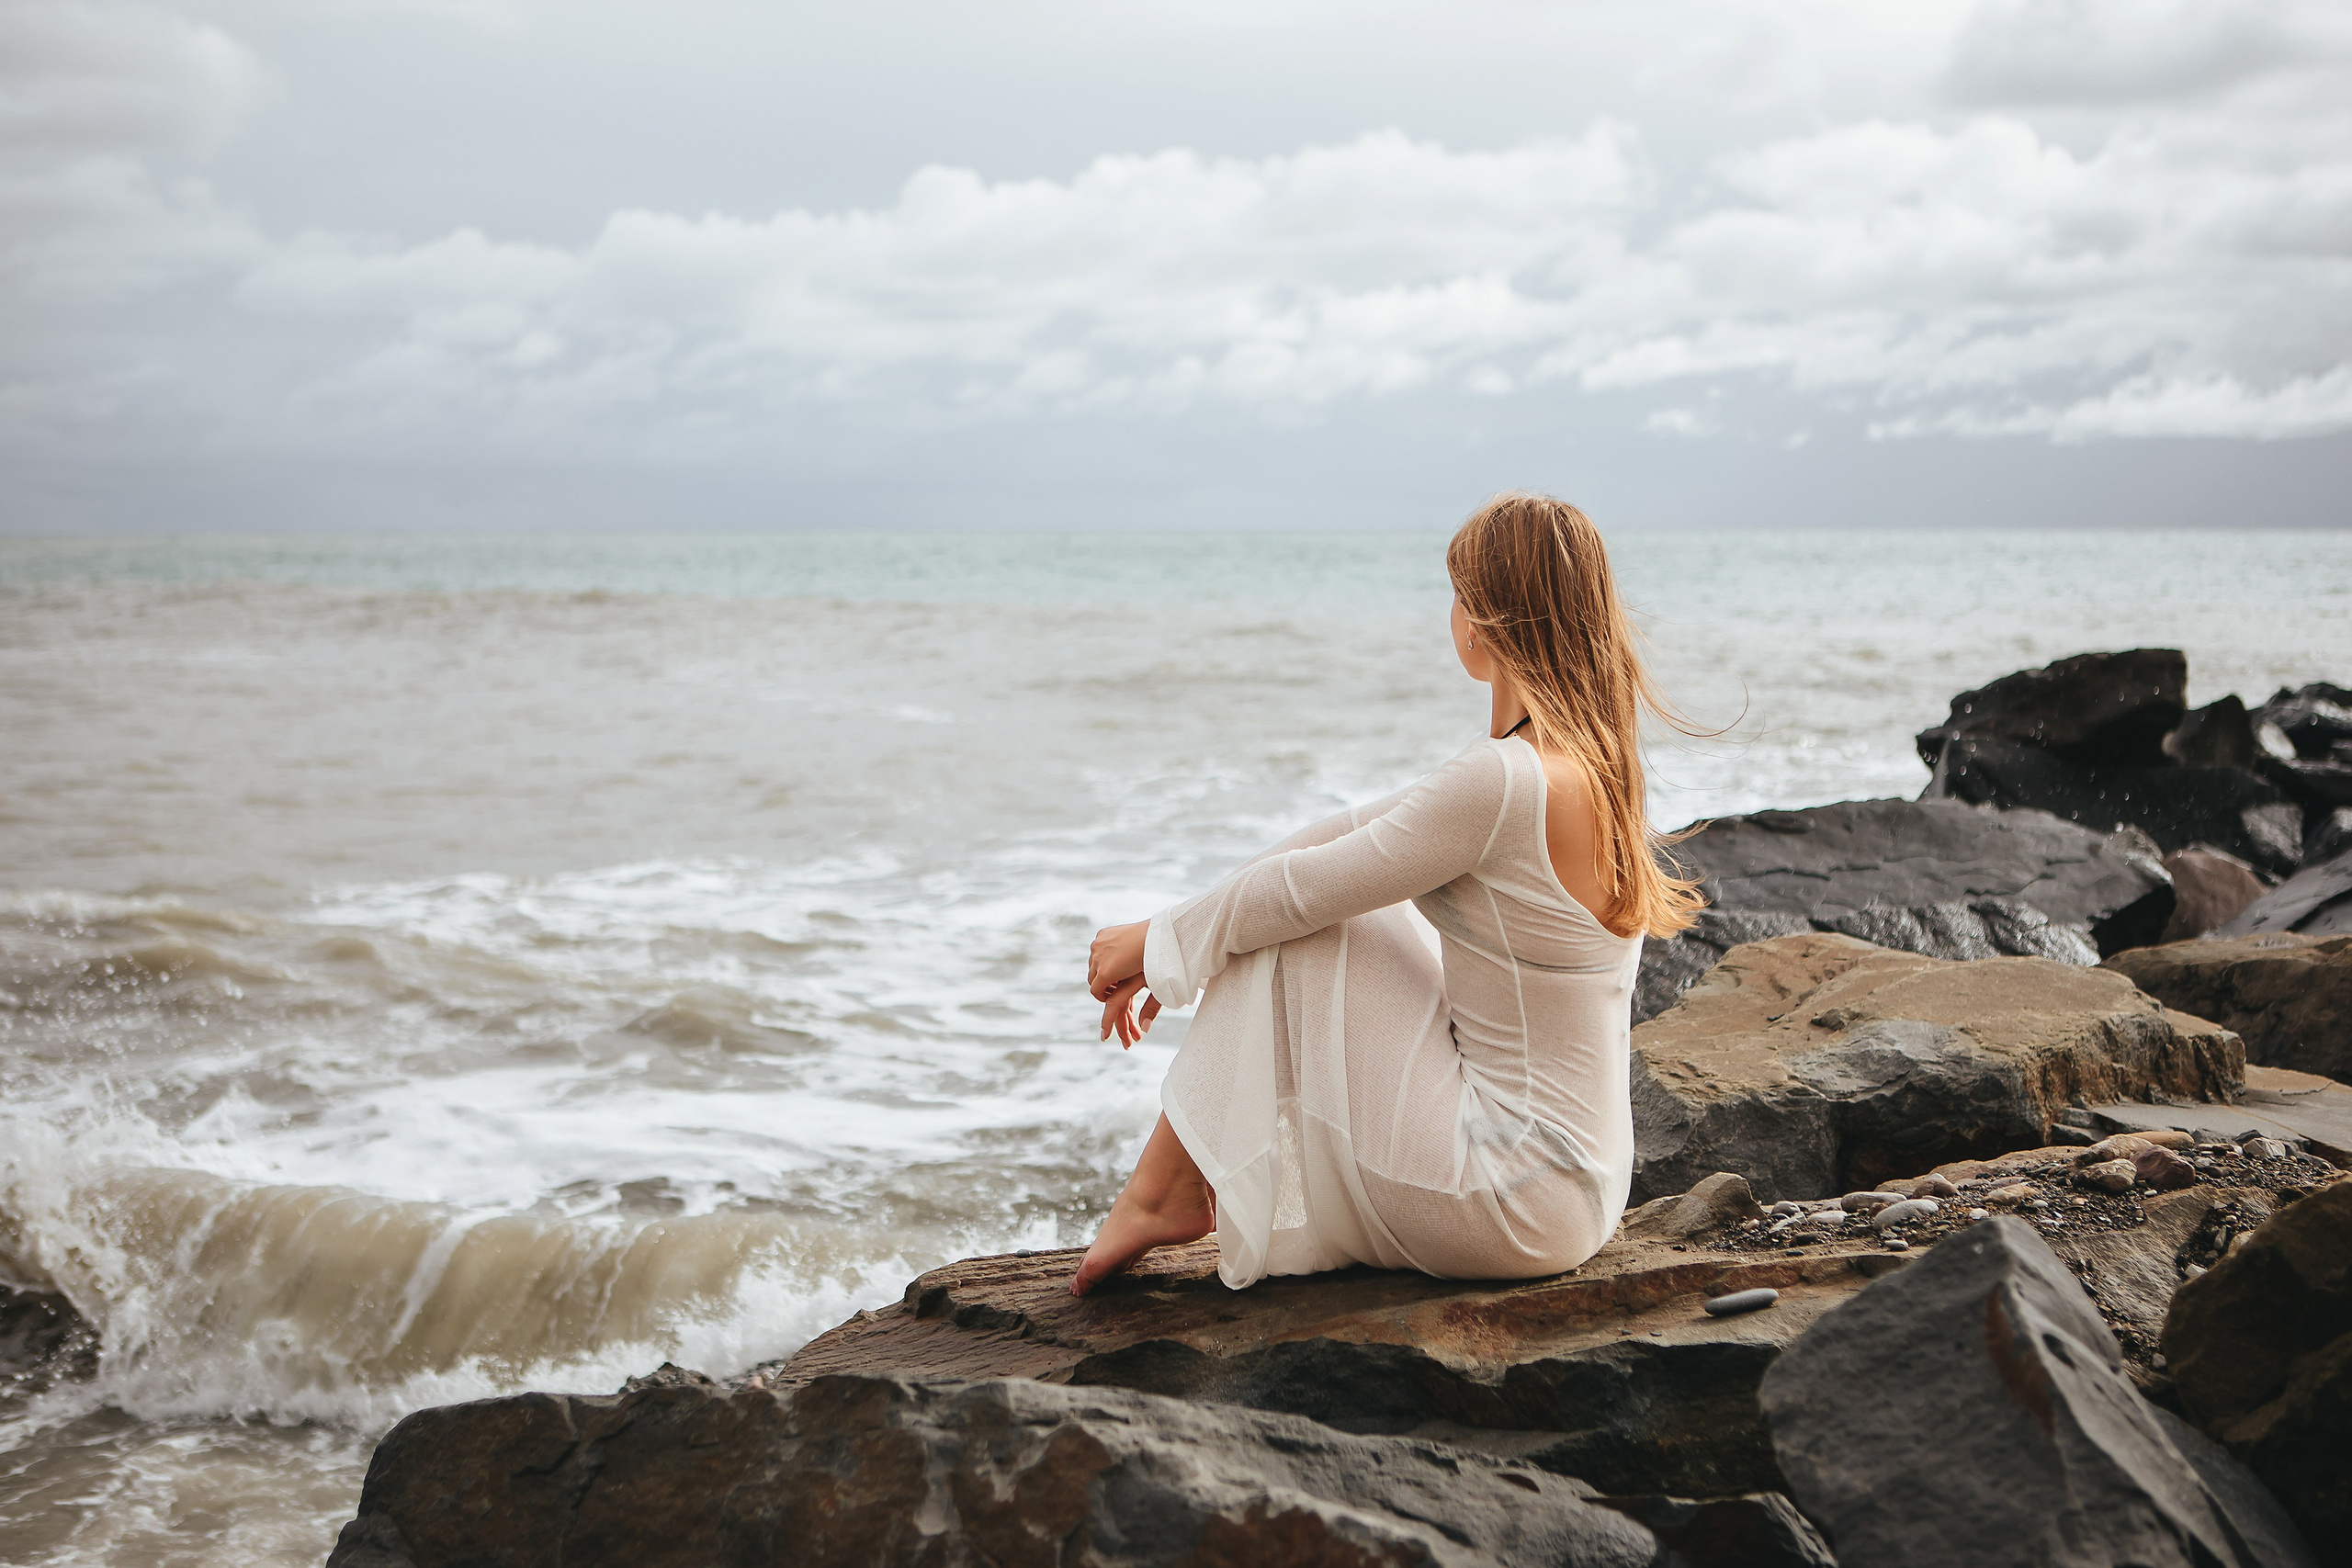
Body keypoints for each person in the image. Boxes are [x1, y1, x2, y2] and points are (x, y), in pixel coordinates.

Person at [1074, 493, 1703, 1297]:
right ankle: (1168, 1185)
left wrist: (1161, 946)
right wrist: (1170, 946)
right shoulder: (1592, 764)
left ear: (1484, 623)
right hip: (1583, 1188)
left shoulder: (1504, 782)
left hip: (1508, 1197)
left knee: (1304, 922)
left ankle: (1162, 1188)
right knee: (1311, 905)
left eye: (1458, 595)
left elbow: (1301, 889)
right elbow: (1334, 841)